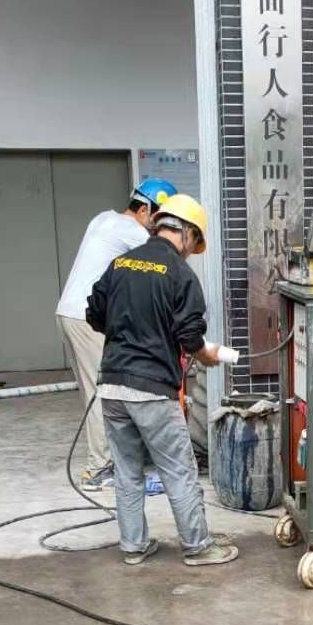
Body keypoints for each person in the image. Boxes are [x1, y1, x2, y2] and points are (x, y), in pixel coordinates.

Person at [86, 193, 240, 567]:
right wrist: (206, 355)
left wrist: (129, 334)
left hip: (112, 385)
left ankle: (133, 546)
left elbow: (94, 312)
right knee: (178, 469)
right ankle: (198, 546)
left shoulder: (120, 264)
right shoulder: (180, 274)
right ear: (187, 234)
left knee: (126, 471)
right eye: (194, 242)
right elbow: (190, 337)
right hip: (152, 389)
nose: (191, 251)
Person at [55, 176, 175, 490]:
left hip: (70, 313)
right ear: (145, 210)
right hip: (86, 318)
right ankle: (99, 469)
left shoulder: (104, 218)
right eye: (160, 220)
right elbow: (164, 263)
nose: (159, 229)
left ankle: (110, 460)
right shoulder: (133, 232)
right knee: (103, 393)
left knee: (95, 391)